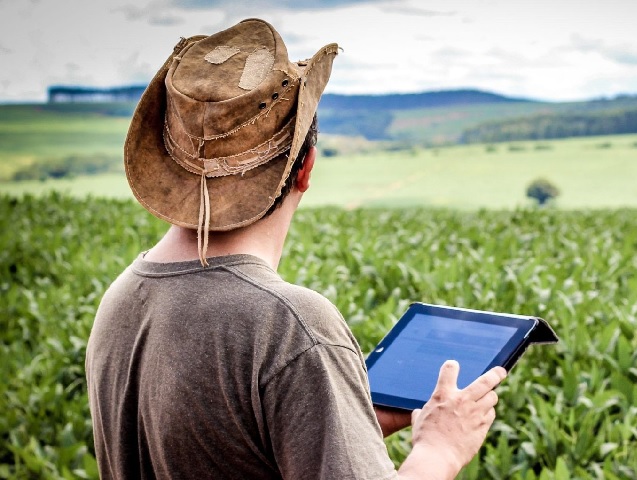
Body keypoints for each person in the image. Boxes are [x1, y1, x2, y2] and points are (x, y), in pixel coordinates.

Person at [85, 18, 505, 479]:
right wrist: (440, 448)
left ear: (169, 167)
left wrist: (348, 418)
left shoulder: (122, 297)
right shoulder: (287, 325)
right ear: (305, 167)